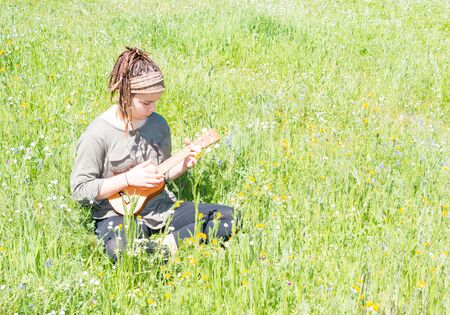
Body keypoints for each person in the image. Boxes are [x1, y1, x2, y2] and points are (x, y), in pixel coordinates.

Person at [70, 47, 235, 262]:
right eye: (146, 103)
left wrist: (183, 164)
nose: (152, 108)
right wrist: (128, 179)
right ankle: (169, 245)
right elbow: (80, 191)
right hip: (118, 216)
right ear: (125, 95)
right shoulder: (97, 134)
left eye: (156, 101)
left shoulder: (158, 124)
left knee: (230, 217)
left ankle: (167, 246)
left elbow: (161, 175)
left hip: (162, 209)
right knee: (118, 249)